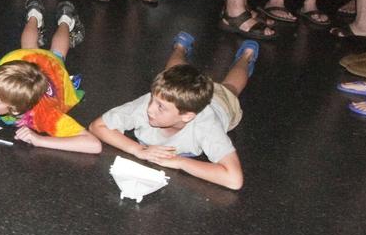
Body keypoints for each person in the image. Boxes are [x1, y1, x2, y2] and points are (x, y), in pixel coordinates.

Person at [89, 31, 256, 191]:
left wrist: (179, 162)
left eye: (160, 107)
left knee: (230, 88)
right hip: (181, 98)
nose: (150, 110)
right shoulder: (150, 103)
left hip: (220, 104)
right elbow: (97, 126)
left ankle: (245, 57)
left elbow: (234, 179)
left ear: (187, 116)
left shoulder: (206, 126)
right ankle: (180, 48)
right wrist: (139, 150)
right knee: (174, 72)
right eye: (153, 100)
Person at [0, 0, 101, 154]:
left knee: (57, 55)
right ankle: (56, 19)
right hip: (21, 59)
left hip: (52, 68)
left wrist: (40, 140)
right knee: (31, 49)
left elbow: (94, 145)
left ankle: (55, 19)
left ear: (15, 110)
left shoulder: (43, 114)